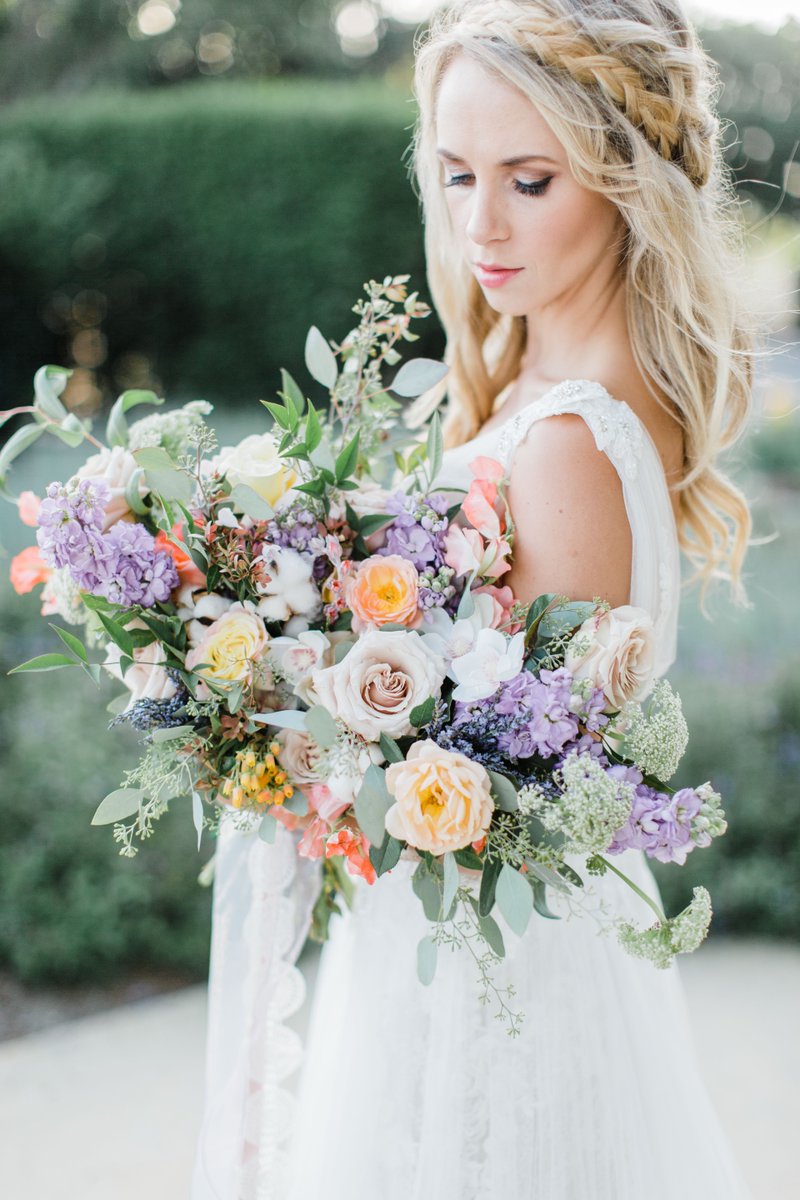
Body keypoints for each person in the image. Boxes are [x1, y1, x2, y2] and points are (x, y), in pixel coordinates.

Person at [192, 2, 756, 1197]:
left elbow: (518, 769)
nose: (478, 222)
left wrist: (290, 705)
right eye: (455, 174)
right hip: (475, 932)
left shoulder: (564, 438)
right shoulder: (557, 392)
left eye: (529, 180)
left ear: (621, 180)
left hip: (495, 964)